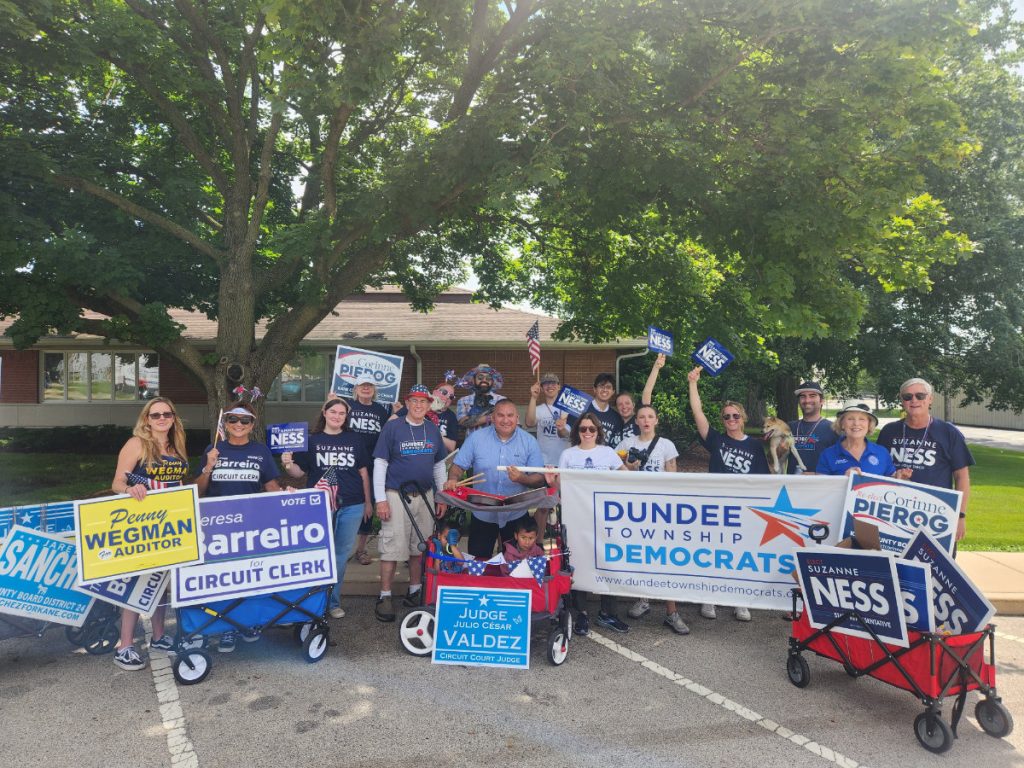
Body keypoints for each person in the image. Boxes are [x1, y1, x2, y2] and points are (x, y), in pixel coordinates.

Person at [109, 398, 191, 671]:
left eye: (167, 414)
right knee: (137, 583)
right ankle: (125, 646)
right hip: (142, 523)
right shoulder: (137, 444)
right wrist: (129, 490)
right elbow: (118, 481)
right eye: (155, 415)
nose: (161, 418)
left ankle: (158, 637)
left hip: (169, 523)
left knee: (160, 582)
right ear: (147, 419)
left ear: (173, 417)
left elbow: (177, 482)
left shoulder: (176, 446)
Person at [197, 401, 283, 650]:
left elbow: (270, 487)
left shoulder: (261, 451)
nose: (238, 425)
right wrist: (208, 467)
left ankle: (239, 624)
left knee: (245, 579)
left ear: (252, 425)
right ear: (225, 423)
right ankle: (223, 627)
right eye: (233, 420)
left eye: (244, 421)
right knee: (221, 580)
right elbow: (199, 491)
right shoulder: (213, 449)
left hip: (250, 526)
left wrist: (289, 498)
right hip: (217, 525)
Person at [688, 365, 768, 621]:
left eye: (735, 416)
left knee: (741, 554)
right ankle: (709, 597)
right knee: (713, 552)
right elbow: (698, 412)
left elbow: (763, 480)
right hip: (716, 506)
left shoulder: (755, 446)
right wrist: (693, 383)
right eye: (726, 417)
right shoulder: (716, 440)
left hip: (744, 508)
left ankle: (739, 599)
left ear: (743, 418)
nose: (731, 420)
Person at [281, 397, 372, 620]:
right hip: (320, 505)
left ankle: (332, 601)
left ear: (346, 417)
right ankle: (314, 601)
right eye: (333, 412)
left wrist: (368, 502)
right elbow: (299, 473)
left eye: (342, 413)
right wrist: (286, 463)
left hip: (352, 504)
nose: (337, 416)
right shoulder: (312, 441)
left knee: (340, 556)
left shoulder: (355, 439)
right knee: (319, 554)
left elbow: (363, 473)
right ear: (324, 413)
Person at [546, 413, 629, 635]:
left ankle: (608, 613)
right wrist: (551, 479)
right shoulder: (568, 454)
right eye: (583, 429)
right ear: (577, 432)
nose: (588, 433)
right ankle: (581, 613)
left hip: (605, 517)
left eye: (592, 429)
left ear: (598, 431)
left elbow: (626, 478)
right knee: (578, 563)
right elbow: (559, 486)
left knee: (607, 561)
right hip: (576, 517)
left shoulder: (608, 453)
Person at [372, 384, 448, 622]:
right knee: (392, 548)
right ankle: (384, 596)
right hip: (396, 495)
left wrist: (442, 495)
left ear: (429, 405)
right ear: (407, 403)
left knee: (419, 548)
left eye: (423, 401)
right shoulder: (393, 427)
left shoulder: (432, 429)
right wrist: (380, 499)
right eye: (414, 401)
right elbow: (380, 464)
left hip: (424, 495)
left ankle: (414, 591)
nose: (418, 405)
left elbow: (439, 465)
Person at [877, 378, 975, 544]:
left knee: (935, 568)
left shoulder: (948, 432)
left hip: (935, 517)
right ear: (902, 401)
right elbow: (878, 471)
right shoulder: (889, 431)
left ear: (930, 399)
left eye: (920, 395)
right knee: (895, 567)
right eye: (907, 397)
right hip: (894, 514)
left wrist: (960, 516)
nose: (914, 400)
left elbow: (962, 476)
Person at [444, 400, 546, 557]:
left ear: (517, 418)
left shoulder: (529, 441)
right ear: (492, 417)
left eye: (510, 415)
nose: (506, 420)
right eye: (500, 415)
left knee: (514, 566)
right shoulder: (476, 438)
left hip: (515, 514)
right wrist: (453, 479)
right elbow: (457, 467)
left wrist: (522, 479)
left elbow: (539, 479)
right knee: (479, 562)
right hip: (482, 512)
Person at [619, 405, 689, 634]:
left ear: (656, 420)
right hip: (634, 508)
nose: (646, 420)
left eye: (650, 417)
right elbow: (615, 473)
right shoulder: (626, 444)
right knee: (640, 555)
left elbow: (673, 477)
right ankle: (643, 599)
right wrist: (629, 467)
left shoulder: (667, 445)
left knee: (664, 558)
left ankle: (672, 611)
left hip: (659, 508)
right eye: (641, 417)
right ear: (636, 421)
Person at [345, 374, 393, 567]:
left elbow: (388, 433)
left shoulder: (381, 410)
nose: (366, 388)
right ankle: (340, 547)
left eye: (370, 385)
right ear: (355, 388)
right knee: (342, 503)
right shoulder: (346, 406)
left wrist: (395, 414)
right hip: (346, 461)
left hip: (372, 463)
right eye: (362, 385)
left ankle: (361, 549)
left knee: (368, 505)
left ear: (375, 389)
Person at [816, 403, 900, 478]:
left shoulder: (882, 452)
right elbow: (822, 488)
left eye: (862, 419)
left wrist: (900, 478)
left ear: (869, 424)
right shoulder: (827, 454)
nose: (856, 423)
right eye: (850, 419)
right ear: (842, 424)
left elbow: (891, 481)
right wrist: (844, 480)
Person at [611, 353, 667, 446]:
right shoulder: (615, 424)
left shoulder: (638, 420)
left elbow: (647, 392)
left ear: (633, 405)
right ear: (616, 408)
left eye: (627, 403)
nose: (624, 406)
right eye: (620, 404)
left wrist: (656, 367)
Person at [786, 381, 838, 474]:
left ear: (822, 401)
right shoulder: (789, 427)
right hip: (792, 485)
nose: (807, 400)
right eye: (803, 396)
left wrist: (817, 474)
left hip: (821, 485)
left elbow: (840, 463)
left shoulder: (833, 429)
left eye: (812, 396)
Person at [394, 381, 458, 453]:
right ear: (434, 392)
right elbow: (391, 423)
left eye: (451, 396)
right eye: (444, 392)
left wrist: (432, 432)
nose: (447, 397)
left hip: (437, 456)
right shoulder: (416, 406)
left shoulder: (451, 416)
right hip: (411, 451)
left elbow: (451, 447)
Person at [526, 372, 570, 467]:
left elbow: (567, 435)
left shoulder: (568, 409)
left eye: (553, 383)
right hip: (543, 461)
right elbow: (529, 423)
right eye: (546, 383)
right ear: (541, 388)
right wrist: (533, 398)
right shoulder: (538, 409)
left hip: (563, 461)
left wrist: (562, 429)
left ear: (559, 386)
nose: (550, 386)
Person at [456, 363, 506, 432]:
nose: (484, 380)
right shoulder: (463, 400)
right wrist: (488, 417)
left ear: (492, 382)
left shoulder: (502, 400)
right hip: (472, 441)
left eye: (488, 378)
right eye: (480, 377)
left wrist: (471, 418)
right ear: (473, 380)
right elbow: (462, 423)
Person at [586, 372, 623, 444]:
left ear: (613, 392)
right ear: (594, 389)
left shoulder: (616, 417)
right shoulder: (583, 408)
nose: (605, 390)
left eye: (608, 387)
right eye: (601, 386)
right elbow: (567, 434)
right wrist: (562, 429)